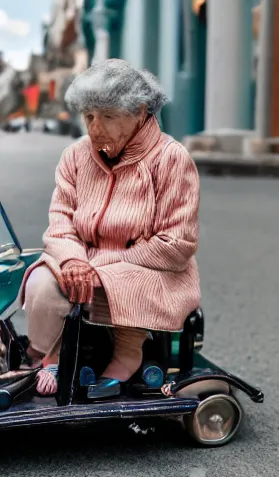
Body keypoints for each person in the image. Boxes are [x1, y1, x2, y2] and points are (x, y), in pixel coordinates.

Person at [18, 59, 201, 399]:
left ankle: (128, 354)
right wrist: (73, 261)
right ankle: (48, 353)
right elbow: (60, 222)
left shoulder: (171, 159)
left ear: (141, 112)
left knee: (121, 281)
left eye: (109, 116)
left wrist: (100, 267)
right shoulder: (75, 156)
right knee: (43, 279)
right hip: (83, 258)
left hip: (149, 265)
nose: (95, 128)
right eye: (89, 117)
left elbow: (177, 243)